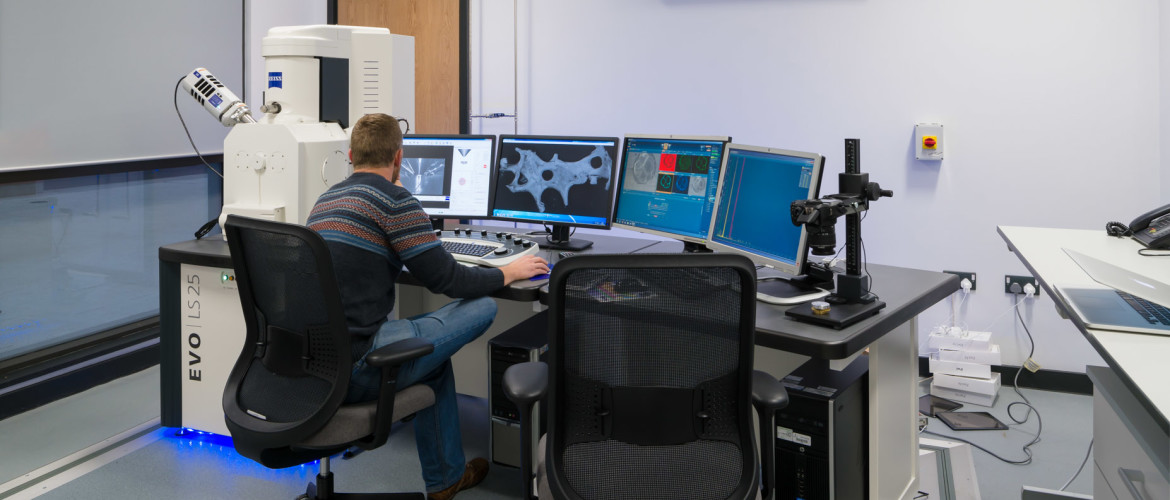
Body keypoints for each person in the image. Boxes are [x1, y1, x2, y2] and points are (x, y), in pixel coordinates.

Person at [306, 113, 549, 500]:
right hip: (358, 362)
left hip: (313, 363)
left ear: (350, 155)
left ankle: (446, 481)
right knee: (483, 306)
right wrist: (509, 271)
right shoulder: (394, 200)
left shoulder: (326, 199)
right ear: (399, 159)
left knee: (429, 364)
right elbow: (448, 281)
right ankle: (444, 480)